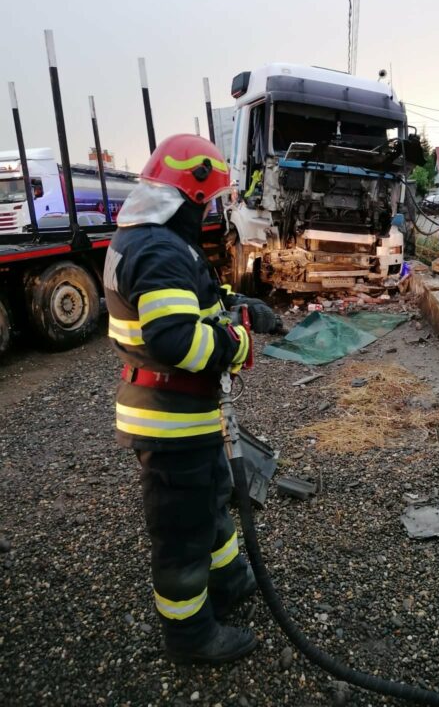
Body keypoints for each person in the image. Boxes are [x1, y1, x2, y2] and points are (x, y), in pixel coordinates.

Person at [103, 134, 282, 665]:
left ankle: (228, 581)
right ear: (188, 196)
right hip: (168, 420)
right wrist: (238, 342)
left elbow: (195, 298)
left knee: (212, 498)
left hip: (185, 417)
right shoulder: (157, 250)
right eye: (206, 201)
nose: (209, 211)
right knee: (182, 532)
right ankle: (190, 636)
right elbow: (174, 338)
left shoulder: (153, 241)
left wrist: (240, 303)